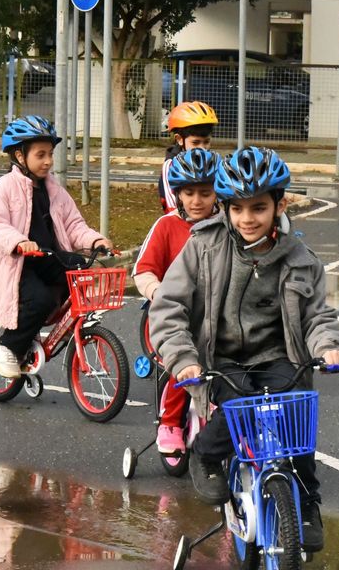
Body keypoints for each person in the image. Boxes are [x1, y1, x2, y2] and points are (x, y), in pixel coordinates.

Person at [148, 146, 339, 553]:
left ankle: (307, 504)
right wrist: (183, 358)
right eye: (237, 208)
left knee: (294, 415)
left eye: (259, 207)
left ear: (280, 205)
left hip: (277, 356)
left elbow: (317, 315)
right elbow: (168, 308)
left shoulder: (301, 259)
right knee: (238, 404)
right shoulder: (203, 247)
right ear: (224, 208)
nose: (247, 218)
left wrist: (328, 346)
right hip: (221, 357)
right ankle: (205, 455)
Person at [0, 115, 114, 379]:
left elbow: (74, 224)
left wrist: (95, 240)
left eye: (50, 154)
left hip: (47, 256)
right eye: (40, 155)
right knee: (40, 300)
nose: (48, 161)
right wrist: (19, 242)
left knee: (80, 268)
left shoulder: (54, 189)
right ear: (20, 156)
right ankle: (6, 346)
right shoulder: (4, 188)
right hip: (17, 264)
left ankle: (66, 325)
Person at [132, 147, 221, 459]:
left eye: (205, 193)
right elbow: (143, 270)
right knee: (183, 361)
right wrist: (160, 293)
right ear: (178, 194)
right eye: (189, 193)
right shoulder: (167, 226)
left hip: (215, 314)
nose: (197, 201)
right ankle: (169, 422)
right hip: (175, 316)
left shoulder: (226, 224)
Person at [158, 101, 218, 213]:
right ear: (179, 139)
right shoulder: (170, 165)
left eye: (206, 142)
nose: (202, 148)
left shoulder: (212, 162)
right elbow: (172, 207)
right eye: (195, 143)